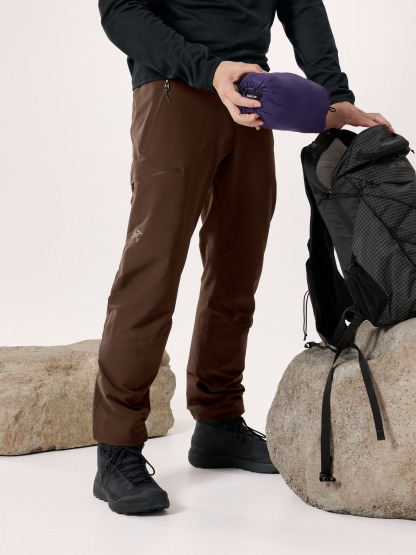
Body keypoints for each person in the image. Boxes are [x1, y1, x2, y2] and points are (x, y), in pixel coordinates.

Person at [92, 0, 394, 516]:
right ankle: (117, 447)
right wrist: (207, 69)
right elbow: (120, 10)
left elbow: (301, 6)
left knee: (238, 266)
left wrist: (335, 95)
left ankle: (218, 421)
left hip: (252, 99)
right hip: (173, 87)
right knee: (153, 271)